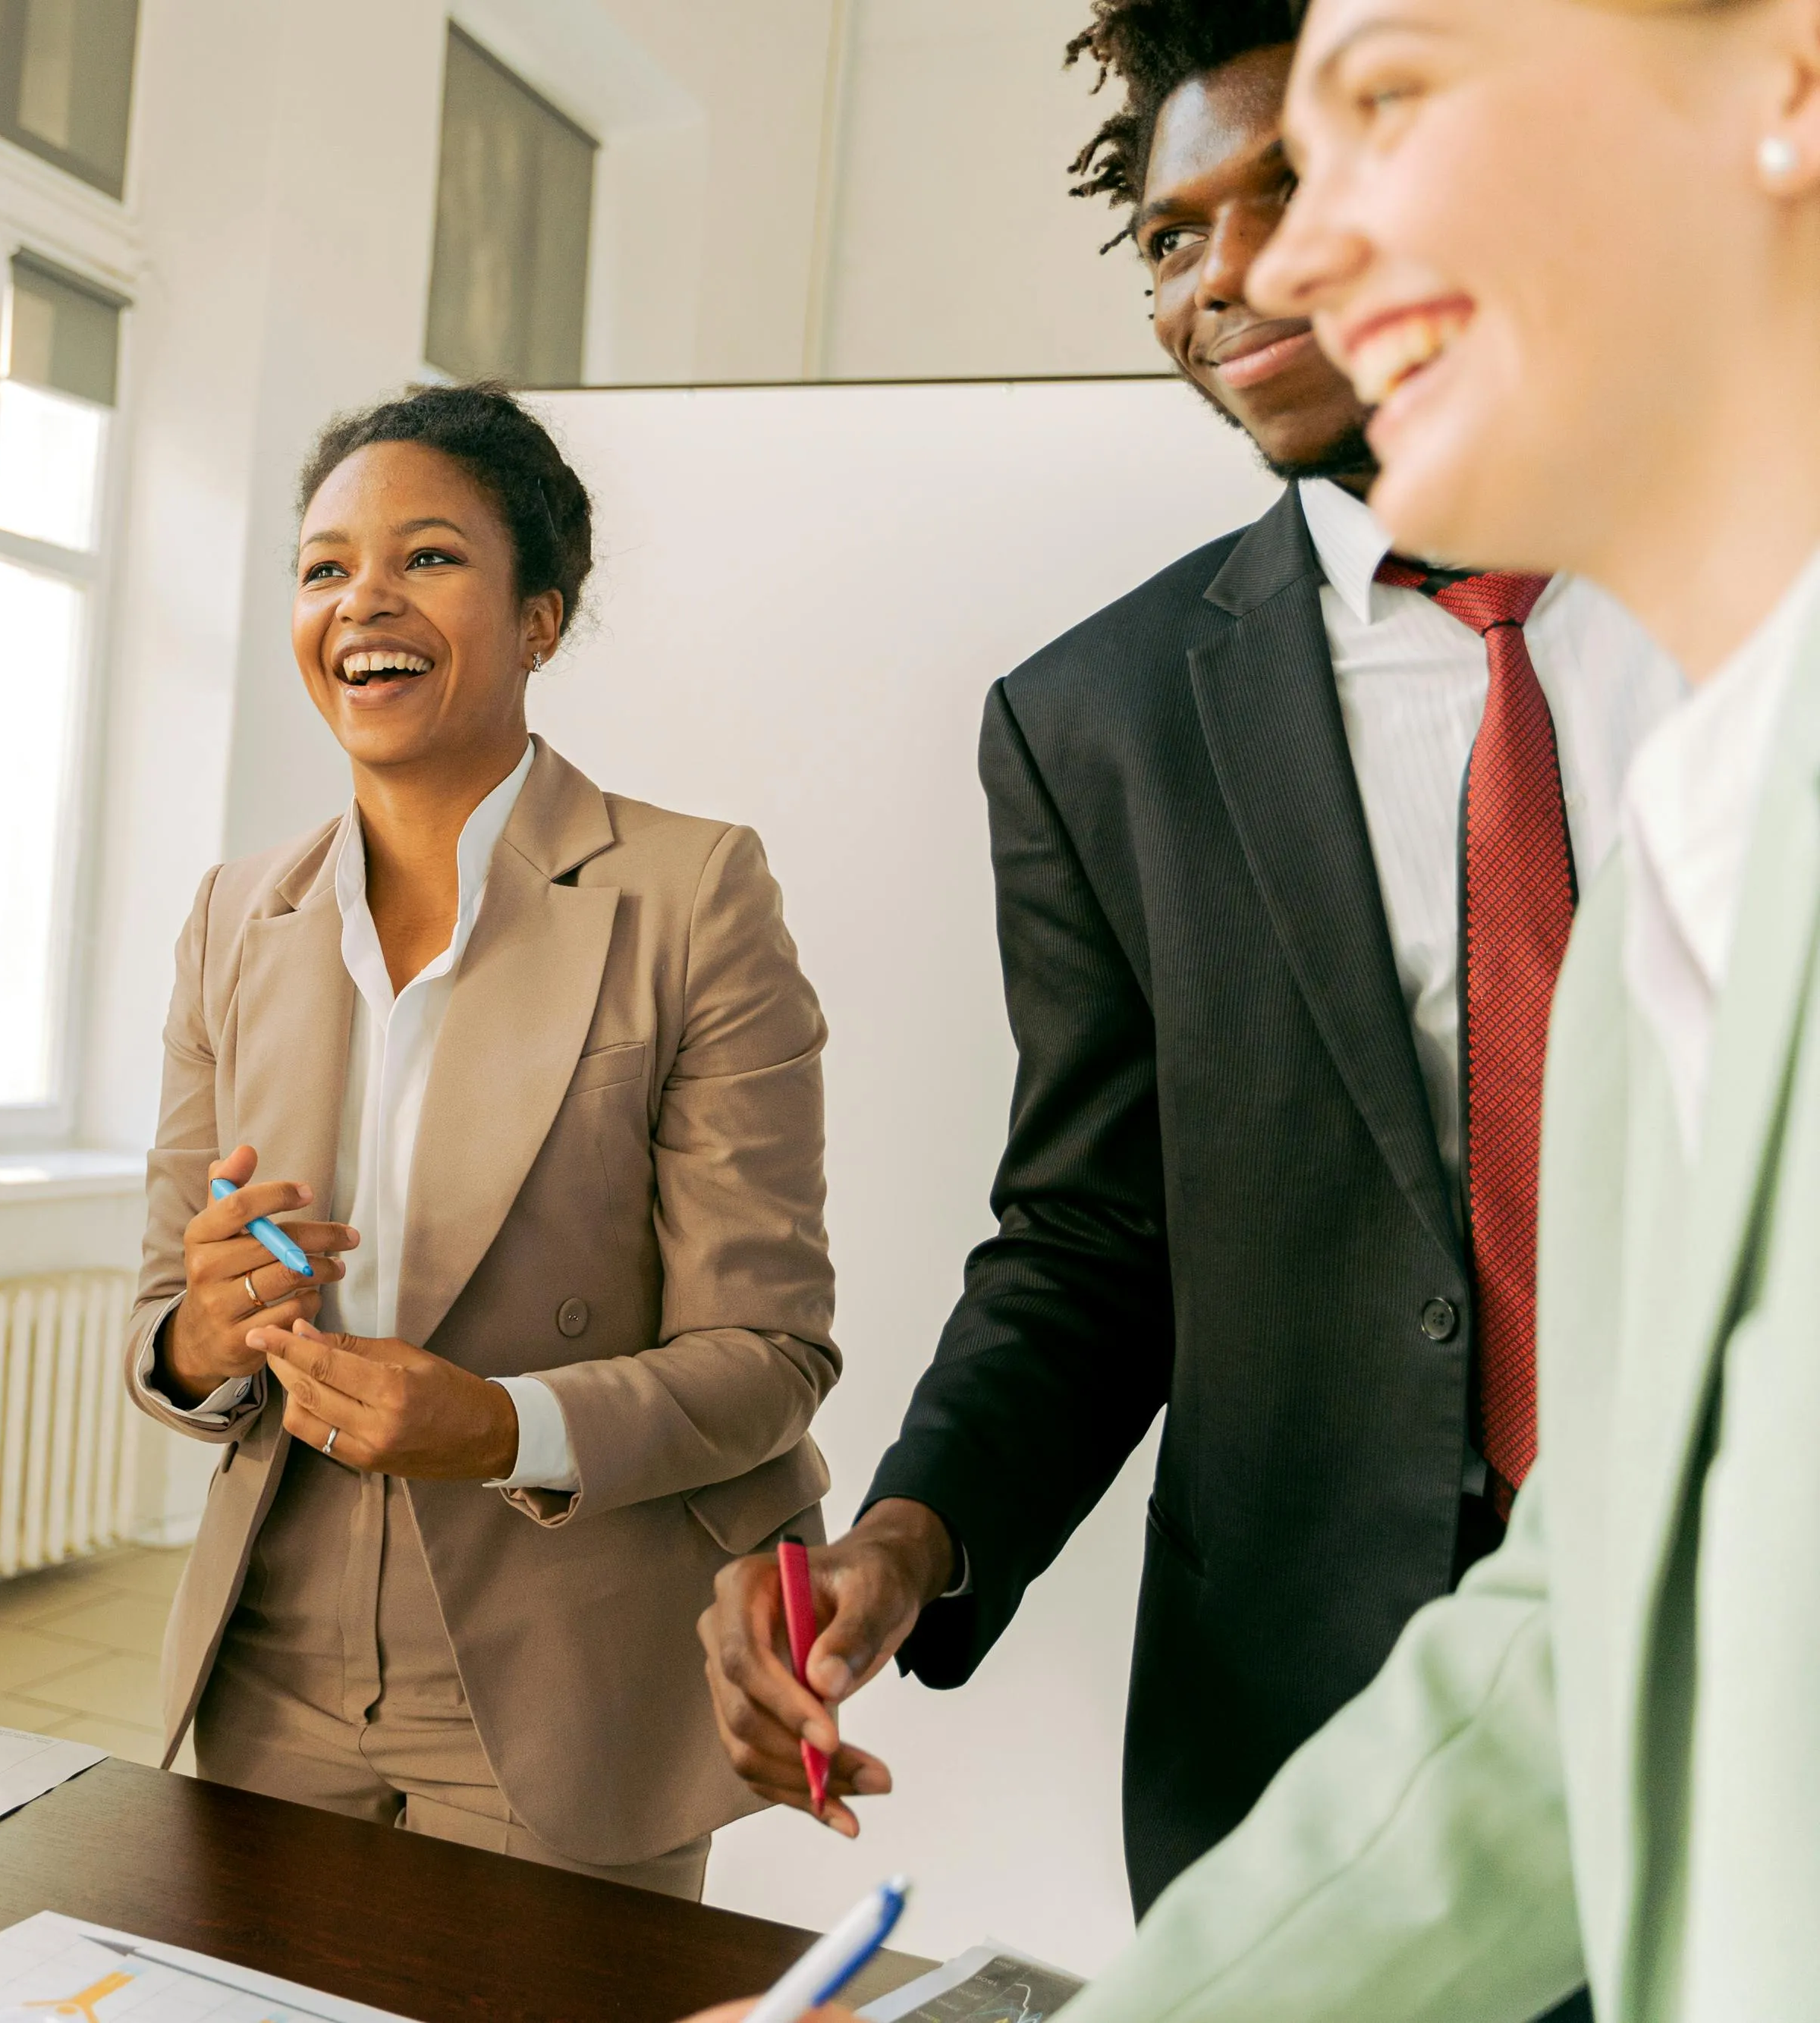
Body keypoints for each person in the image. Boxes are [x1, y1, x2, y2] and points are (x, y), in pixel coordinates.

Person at [694, 0, 1677, 1924]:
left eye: (1288, 188)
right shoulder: (1097, 721)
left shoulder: (1748, 604)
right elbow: (1090, 1239)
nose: (1227, 272)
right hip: (1307, 1709)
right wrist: (910, 1534)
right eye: (1163, 236)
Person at [1024, 0, 1820, 2012]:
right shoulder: (1683, 874)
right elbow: (1579, 1642)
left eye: (1381, 113)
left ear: (1784, 81)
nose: (1276, 268)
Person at [124, 384, 838, 1896]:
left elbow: (768, 1354)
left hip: (565, 1660)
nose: (362, 600)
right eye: (323, 568)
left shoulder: (690, 894)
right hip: (275, 1661)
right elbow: (162, 1336)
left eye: (427, 558)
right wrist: (206, 1327)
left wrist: (503, 1424)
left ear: (538, 622)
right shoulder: (229, 919)